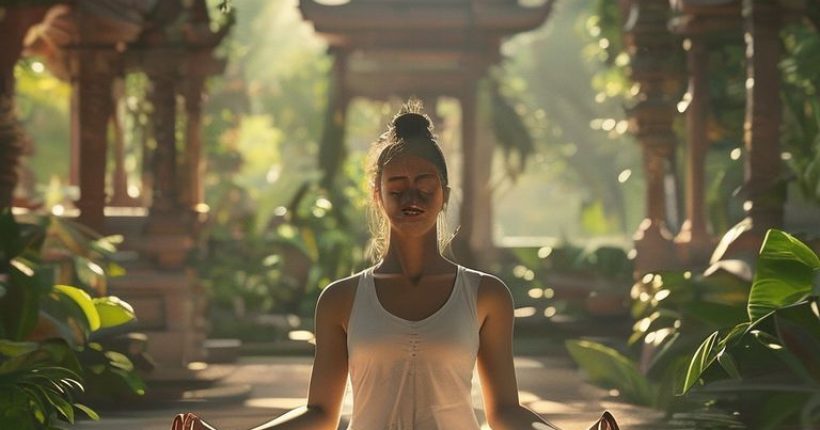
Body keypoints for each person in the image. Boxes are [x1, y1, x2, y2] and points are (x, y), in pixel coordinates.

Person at [173, 101, 619, 430]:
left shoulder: (485, 295)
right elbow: (320, 415)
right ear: (377, 195)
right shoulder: (341, 300)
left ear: (443, 194)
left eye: (425, 187)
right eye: (397, 186)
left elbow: (504, 412)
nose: (412, 199)